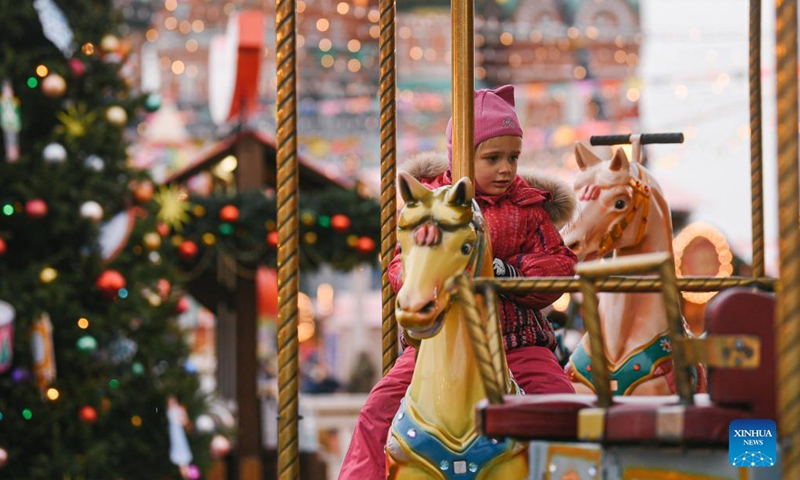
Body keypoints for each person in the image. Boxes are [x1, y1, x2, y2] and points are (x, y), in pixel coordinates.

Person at [339, 85, 577, 479]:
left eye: (513, 158)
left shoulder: (528, 208)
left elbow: (559, 265)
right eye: (492, 158)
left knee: (562, 405)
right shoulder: (430, 205)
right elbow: (401, 266)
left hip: (515, 342)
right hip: (439, 345)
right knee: (376, 410)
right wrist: (422, 274)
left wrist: (509, 272)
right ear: (461, 156)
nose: (506, 168)